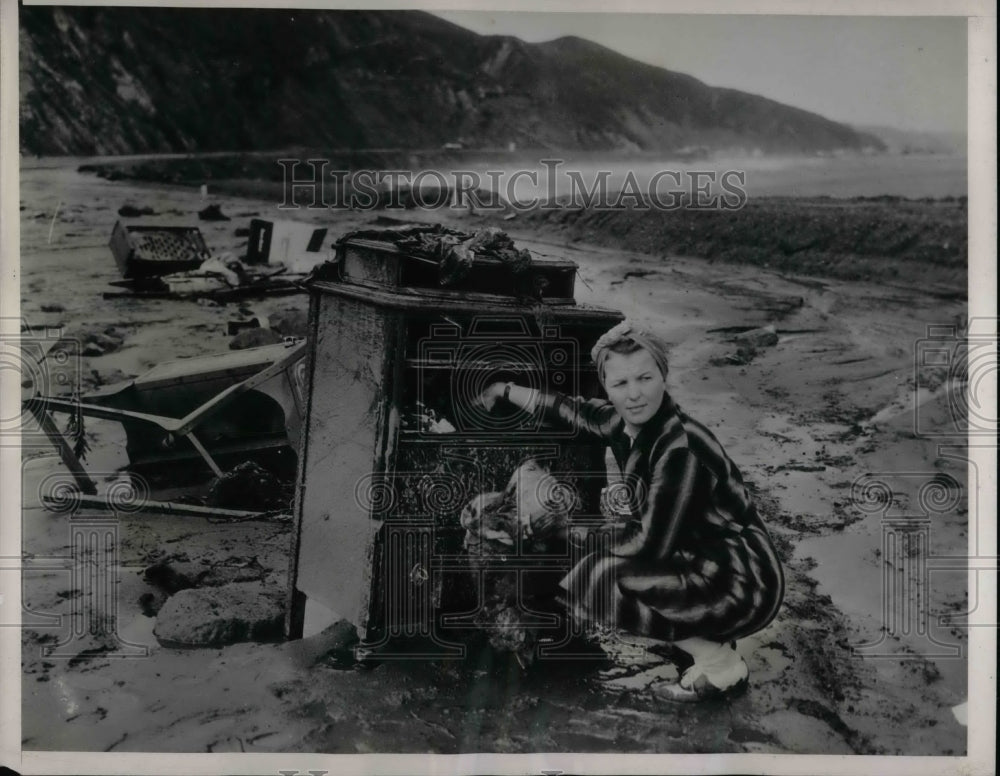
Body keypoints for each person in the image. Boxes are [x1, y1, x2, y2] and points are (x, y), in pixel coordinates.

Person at [475, 319, 785, 702]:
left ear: (663, 376)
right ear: (607, 387)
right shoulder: (626, 422)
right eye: (620, 384)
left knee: (597, 577)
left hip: (745, 580)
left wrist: (560, 529)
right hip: (707, 555)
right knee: (605, 554)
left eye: (645, 379)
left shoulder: (679, 448)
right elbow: (571, 409)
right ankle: (704, 636)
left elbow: (647, 545)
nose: (634, 394)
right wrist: (503, 389)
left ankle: (718, 661)